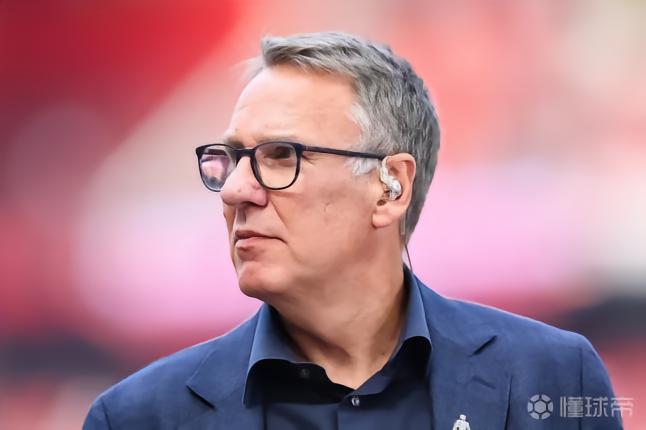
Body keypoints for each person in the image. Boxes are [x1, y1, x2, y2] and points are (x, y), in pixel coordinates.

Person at [83, 32, 621, 429]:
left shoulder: (551, 377)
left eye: (280, 156)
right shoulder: (138, 417)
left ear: (390, 187)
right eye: (232, 159)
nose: (235, 191)